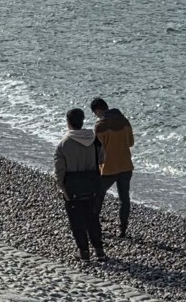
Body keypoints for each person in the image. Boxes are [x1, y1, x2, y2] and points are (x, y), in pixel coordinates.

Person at [54, 107, 106, 261]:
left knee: (77, 221)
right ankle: (99, 250)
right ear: (82, 121)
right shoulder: (95, 139)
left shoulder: (64, 144)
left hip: (72, 187)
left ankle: (83, 252)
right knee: (93, 218)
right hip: (92, 185)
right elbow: (102, 159)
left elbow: (59, 171)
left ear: (68, 122)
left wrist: (61, 187)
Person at [91, 97, 135, 239]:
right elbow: (131, 143)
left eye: (94, 113)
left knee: (97, 195)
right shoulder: (124, 121)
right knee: (124, 198)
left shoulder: (100, 125)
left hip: (108, 168)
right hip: (126, 165)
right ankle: (123, 230)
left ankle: (94, 225)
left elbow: (97, 150)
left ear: (97, 110)